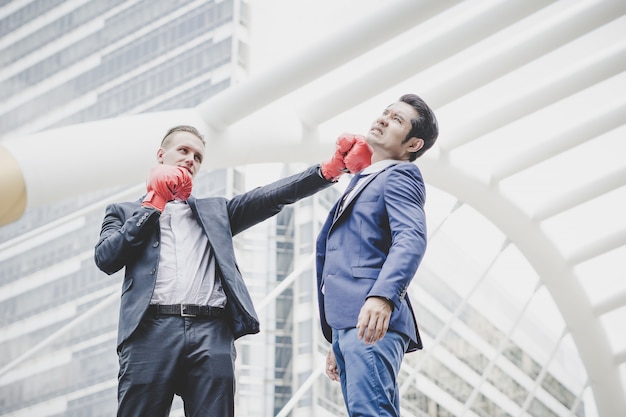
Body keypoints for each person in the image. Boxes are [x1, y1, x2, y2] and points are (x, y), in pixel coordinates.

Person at [94, 125, 372, 417]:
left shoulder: (217, 212)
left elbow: (271, 195)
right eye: (184, 151)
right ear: (161, 156)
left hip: (211, 331)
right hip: (150, 331)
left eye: (198, 157)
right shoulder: (123, 212)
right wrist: (154, 202)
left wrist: (330, 169)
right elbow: (106, 258)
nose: (191, 159)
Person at [316, 94, 439, 417]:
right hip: (352, 321)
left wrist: (383, 297)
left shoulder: (400, 176)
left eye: (397, 120)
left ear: (413, 144)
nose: (383, 119)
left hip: (372, 316)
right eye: (385, 113)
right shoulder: (366, 179)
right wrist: (339, 336)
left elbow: (411, 238)